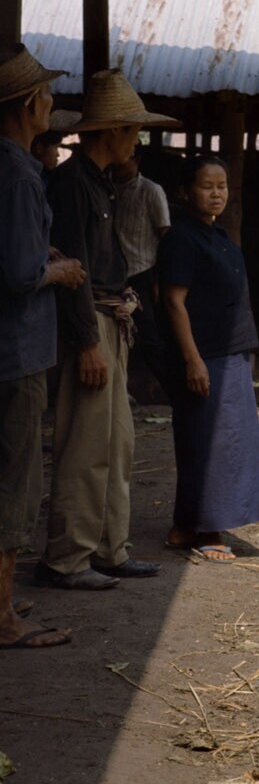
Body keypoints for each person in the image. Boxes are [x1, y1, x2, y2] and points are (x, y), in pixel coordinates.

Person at [38, 70, 175, 590]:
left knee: (118, 443)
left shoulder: (102, 182)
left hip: (111, 317)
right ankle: (67, 558)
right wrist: (88, 343)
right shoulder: (73, 184)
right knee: (85, 446)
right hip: (90, 322)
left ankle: (109, 549)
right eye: (133, 130)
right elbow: (74, 271)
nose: (136, 141)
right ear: (113, 130)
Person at [0, 47, 85, 644]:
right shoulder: (20, 173)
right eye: (47, 96)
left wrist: (40, 254)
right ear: (29, 104)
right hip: (16, 351)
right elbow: (17, 273)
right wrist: (58, 270)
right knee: (16, 481)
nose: (52, 104)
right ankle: (3, 616)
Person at [160, 157, 259, 561]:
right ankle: (210, 531)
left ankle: (184, 526)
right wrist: (193, 360)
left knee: (205, 438)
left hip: (228, 352)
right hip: (207, 354)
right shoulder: (181, 238)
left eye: (222, 186)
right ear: (185, 192)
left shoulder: (217, 234)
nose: (216, 194)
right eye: (207, 186)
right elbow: (173, 302)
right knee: (215, 444)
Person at [113, 155, 171, 389]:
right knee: (117, 334)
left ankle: (170, 388)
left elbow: (165, 235)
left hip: (142, 272)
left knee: (148, 337)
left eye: (124, 160)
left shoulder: (151, 190)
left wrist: (160, 278)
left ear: (137, 160)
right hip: (113, 275)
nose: (118, 164)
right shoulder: (109, 189)